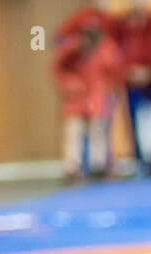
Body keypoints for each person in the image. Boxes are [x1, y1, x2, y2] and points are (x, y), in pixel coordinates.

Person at [53, 18, 122, 181]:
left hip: (97, 96)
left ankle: (97, 165)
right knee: (73, 131)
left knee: (98, 131)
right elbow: (58, 69)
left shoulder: (106, 48)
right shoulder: (71, 48)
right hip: (75, 97)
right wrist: (70, 84)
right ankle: (72, 168)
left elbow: (113, 71)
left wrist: (109, 92)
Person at [114, 0, 151, 173]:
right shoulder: (121, 25)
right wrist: (127, 72)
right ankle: (139, 160)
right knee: (133, 119)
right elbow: (117, 51)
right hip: (131, 81)